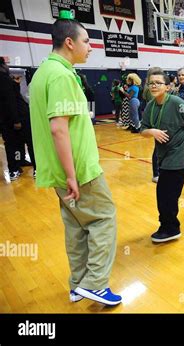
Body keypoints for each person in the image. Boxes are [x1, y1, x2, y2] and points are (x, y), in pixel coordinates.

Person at [28, 10, 121, 306]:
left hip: (59, 170)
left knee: (77, 227)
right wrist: (72, 174)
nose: (91, 47)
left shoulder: (42, 72)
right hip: (80, 171)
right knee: (104, 218)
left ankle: (78, 284)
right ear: (69, 43)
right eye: (87, 41)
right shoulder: (62, 75)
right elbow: (59, 129)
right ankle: (95, 284)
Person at [140, 69, 184, 243]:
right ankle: (166, 225)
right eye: (151, 83)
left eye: (158, 83)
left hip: (181, 154)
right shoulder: (150, 106)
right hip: (164, 157)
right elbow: (143, 130)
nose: (154, 86)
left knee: (168, 194)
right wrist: (152, 132)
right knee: (163, 194)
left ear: (167, 86)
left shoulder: (177, 103)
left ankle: (171, 228)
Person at [0, 58, 23, 180]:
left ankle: (17, 166)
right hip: (7, 119)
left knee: (11, 144)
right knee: (12, 144)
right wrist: (16, 120)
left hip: (3, 118)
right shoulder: (4, 80)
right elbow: (10, 101)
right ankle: (14, 170)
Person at [143, 67, 164, 183]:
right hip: (155, 118)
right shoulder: (150, 89)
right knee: (158, 147)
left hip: (163, 117)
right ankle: (156, 173)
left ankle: (161, 171)